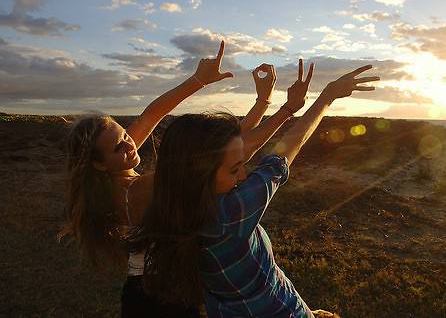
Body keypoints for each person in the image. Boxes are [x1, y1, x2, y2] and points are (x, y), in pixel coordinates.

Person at [61, 39, 311, 317]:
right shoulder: (139, 189)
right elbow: (230, 150)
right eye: (118, 146)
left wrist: (198, 80)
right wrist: (281, 109)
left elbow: (152, 114)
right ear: (98, 163)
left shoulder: (110, 176)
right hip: (161, 298)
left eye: (125, 134)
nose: (130, 144)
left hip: (148, 288)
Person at [129, 62, 379, 317]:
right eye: (235, 168)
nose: (244, 174)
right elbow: (286, 151)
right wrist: (327, 96)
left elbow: (234, 150)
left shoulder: (169, 204)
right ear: (199, 174)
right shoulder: (230, 215)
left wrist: (281, 106)